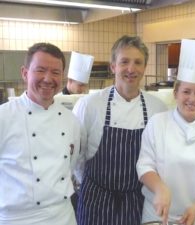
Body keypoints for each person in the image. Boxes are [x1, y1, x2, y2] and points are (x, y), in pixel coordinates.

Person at [73, 35, 168, 225]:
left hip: (136, 200)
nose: (131, 69)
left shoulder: (158, 108)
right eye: (124, 61)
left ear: (144, 67)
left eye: (138, 62)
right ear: (113, 66)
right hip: (95, 199)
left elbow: (159, 158)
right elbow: (77, 156)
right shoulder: (90, 104)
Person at [136, 39, 195, 225]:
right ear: (175, 93)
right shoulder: (157, 123)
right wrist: (160, 189)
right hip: (157, 214)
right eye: (186, 92)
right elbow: (145, 166)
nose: (192, 99)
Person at [0, 42, 81, 225]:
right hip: (16, 218)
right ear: (25, 73)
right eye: (40, 70)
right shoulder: (3, 117)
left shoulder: (71, 121)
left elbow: (72, 163)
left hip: (62, 216)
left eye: (55, 72)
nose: (47, 78)